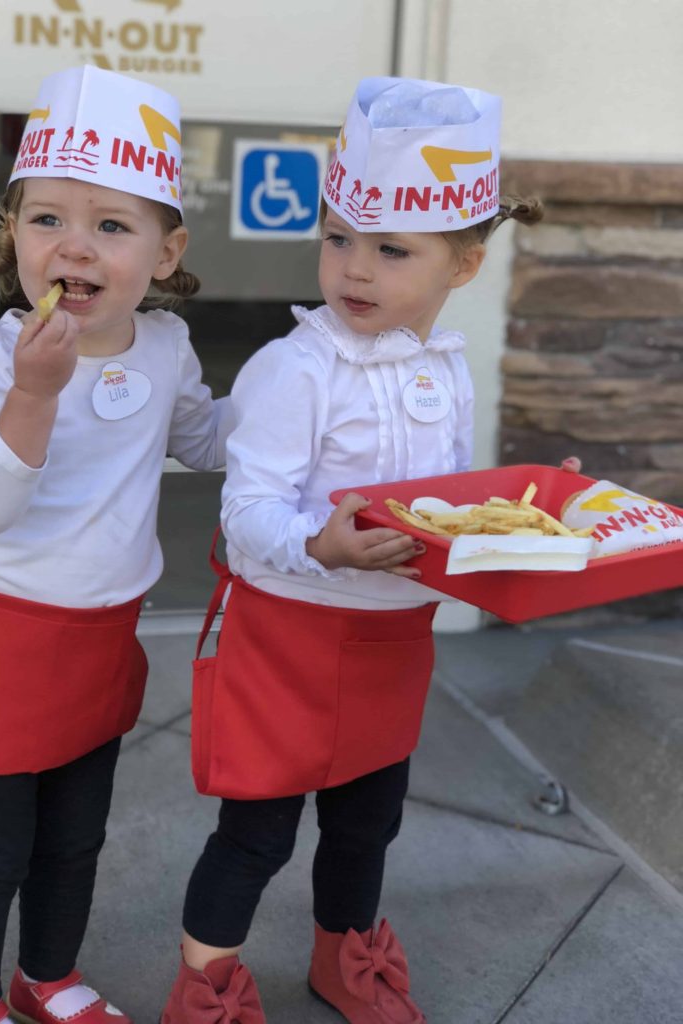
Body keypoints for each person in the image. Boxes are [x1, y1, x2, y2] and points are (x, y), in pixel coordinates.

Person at [160, 77, 544, 1024]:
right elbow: (245, 514)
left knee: (368, 825)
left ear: (464, 265)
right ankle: (204, 986)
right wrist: (320, 544)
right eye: (338, 238)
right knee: (255, 832)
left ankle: (342, 961)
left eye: (389, 249)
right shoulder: (295, 368)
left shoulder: (443, 369)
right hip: (289, 631)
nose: (354, 269)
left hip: (391, 639)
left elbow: (443, 504)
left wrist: (528, 508)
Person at [0, 65, 230, 1024]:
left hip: (99, 635)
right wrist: (32, 396)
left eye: (111, 225)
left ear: (166, 250)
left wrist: (313, 393)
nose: (73, 246)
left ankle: (46, 977)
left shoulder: (166, 348)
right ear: (11, 236)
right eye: (47, 219)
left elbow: (213, 441)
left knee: (75, 841)